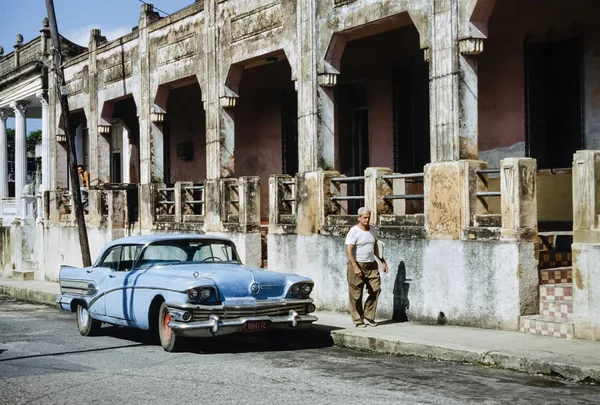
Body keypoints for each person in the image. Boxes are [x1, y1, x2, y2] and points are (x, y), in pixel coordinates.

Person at [345, 207, 388, 327]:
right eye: (364, 217)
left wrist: (382, 261)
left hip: (371, 264)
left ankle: (369, 317)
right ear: (359, 218)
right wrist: (355, 267)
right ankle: (358, 320)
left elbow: (375, 246)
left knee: (376, 289)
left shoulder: (372, 229)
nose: (367, 220)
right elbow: (348, 250)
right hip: (357, 263)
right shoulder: (354, 231)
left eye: (368, 217)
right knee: (356, 294)